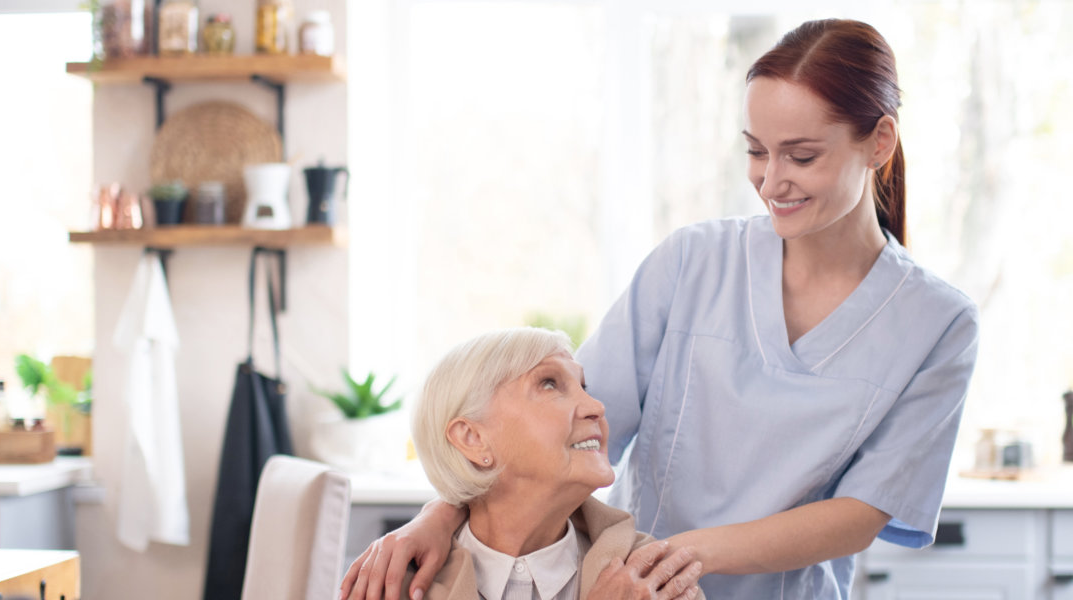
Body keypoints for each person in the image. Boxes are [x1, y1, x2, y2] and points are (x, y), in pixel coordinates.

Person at [344, 19, 980, 599]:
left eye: (803, 156)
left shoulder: (938, 324)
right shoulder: (693, 262)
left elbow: (862, 513)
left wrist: (674, 558)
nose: (771, 180)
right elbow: (572, 434)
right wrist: (437, 517)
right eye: (757, 151)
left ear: (879, 142)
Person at [385, 327, 703, 600]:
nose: (596, 407)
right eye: (549, 383)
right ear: (472, 438)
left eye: (584, 387)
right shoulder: (392, 583)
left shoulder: (655, 582)